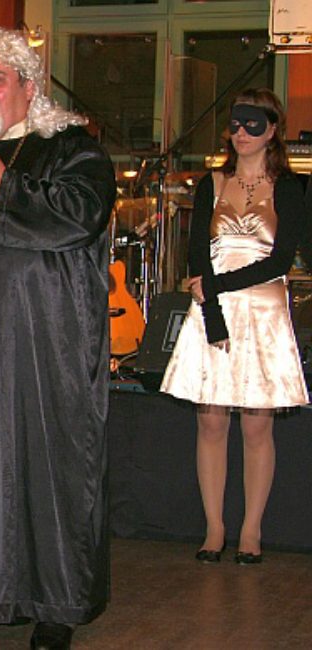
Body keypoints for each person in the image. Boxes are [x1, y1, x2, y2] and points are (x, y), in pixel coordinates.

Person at [0, 27, 116, 650]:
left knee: (49, 462)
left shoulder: (71, 147)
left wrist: (5, 182)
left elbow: (78, 217)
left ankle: (55, 603)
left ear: (29, 88)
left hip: (46, 338)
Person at [161, 88, 308, 565]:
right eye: (236, 124)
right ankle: (214, 527)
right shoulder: (213, 181)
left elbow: (282, 259)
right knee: (210, 420)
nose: (240, 133)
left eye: (252, 124)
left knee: (257, 425)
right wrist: (212, 306)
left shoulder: (289, 186)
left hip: (263, 312)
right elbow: (197, 250)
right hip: (212, 307)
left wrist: (219, 284)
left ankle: (251, 530)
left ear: (272, 128)